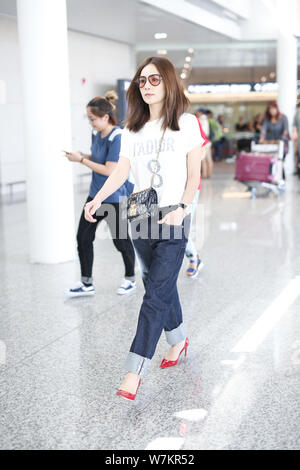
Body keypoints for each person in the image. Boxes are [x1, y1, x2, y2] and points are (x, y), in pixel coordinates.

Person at [84, 56, 205, 400]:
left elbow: (194, 175)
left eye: (154, 80)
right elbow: (121, 173)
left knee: (154, 294)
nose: (147, 86)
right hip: (141, 214)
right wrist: (98, 200)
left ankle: (133, 371)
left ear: (168, 82)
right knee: (157, 283)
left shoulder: (187, 122)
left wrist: (183, 209)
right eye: (142, 81)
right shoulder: (132, 129)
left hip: (173, 215)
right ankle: (179, 340)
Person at [64, 91, 136, 297]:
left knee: (120, 241)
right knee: (83, 238)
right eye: (89, 118)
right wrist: (82, 155)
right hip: (95, 196)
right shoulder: (96, 133)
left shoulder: (118, 136)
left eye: (92, 119)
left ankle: (130, 278)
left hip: (114, 197)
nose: (90, 123)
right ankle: (86, 283)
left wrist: (80, 161)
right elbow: (97, 157)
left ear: (105, 117)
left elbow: (110, 169)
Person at [259, 101, 290, 180]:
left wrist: (280, 140)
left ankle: (282, 178)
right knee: (272, 161)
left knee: (280, 161)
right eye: (270, 109)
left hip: (282, 144)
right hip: (272, 144)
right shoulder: (267, 120)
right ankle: (272, 178)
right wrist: (262, 138)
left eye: (273, 109)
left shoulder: (283, 117)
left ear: (276, 109)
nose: (272, 111)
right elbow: (263, 130)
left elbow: (286, 131)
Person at [292, 101, 300, 175]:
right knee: (297, 153)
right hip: (298, 138)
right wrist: (295, 134)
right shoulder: (298, 111)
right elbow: (294, 125)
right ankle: (296, 169)